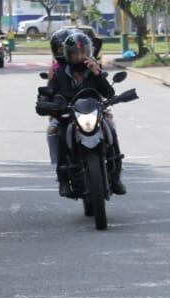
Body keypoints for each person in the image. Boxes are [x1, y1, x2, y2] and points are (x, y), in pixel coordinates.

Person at [46, 31, 126, 195]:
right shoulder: (61, 73)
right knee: (61, 134)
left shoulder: (94, 71)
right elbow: (51, 90)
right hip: (70, 114)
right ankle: (63, 180)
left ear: (89, 52)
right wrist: (46, 100)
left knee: (111, 129)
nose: (79, 57)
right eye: (75, 54)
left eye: (83, 53)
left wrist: (97, 73)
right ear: (68, 55)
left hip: (94, 112)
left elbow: (109, 93)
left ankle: (116, 176)